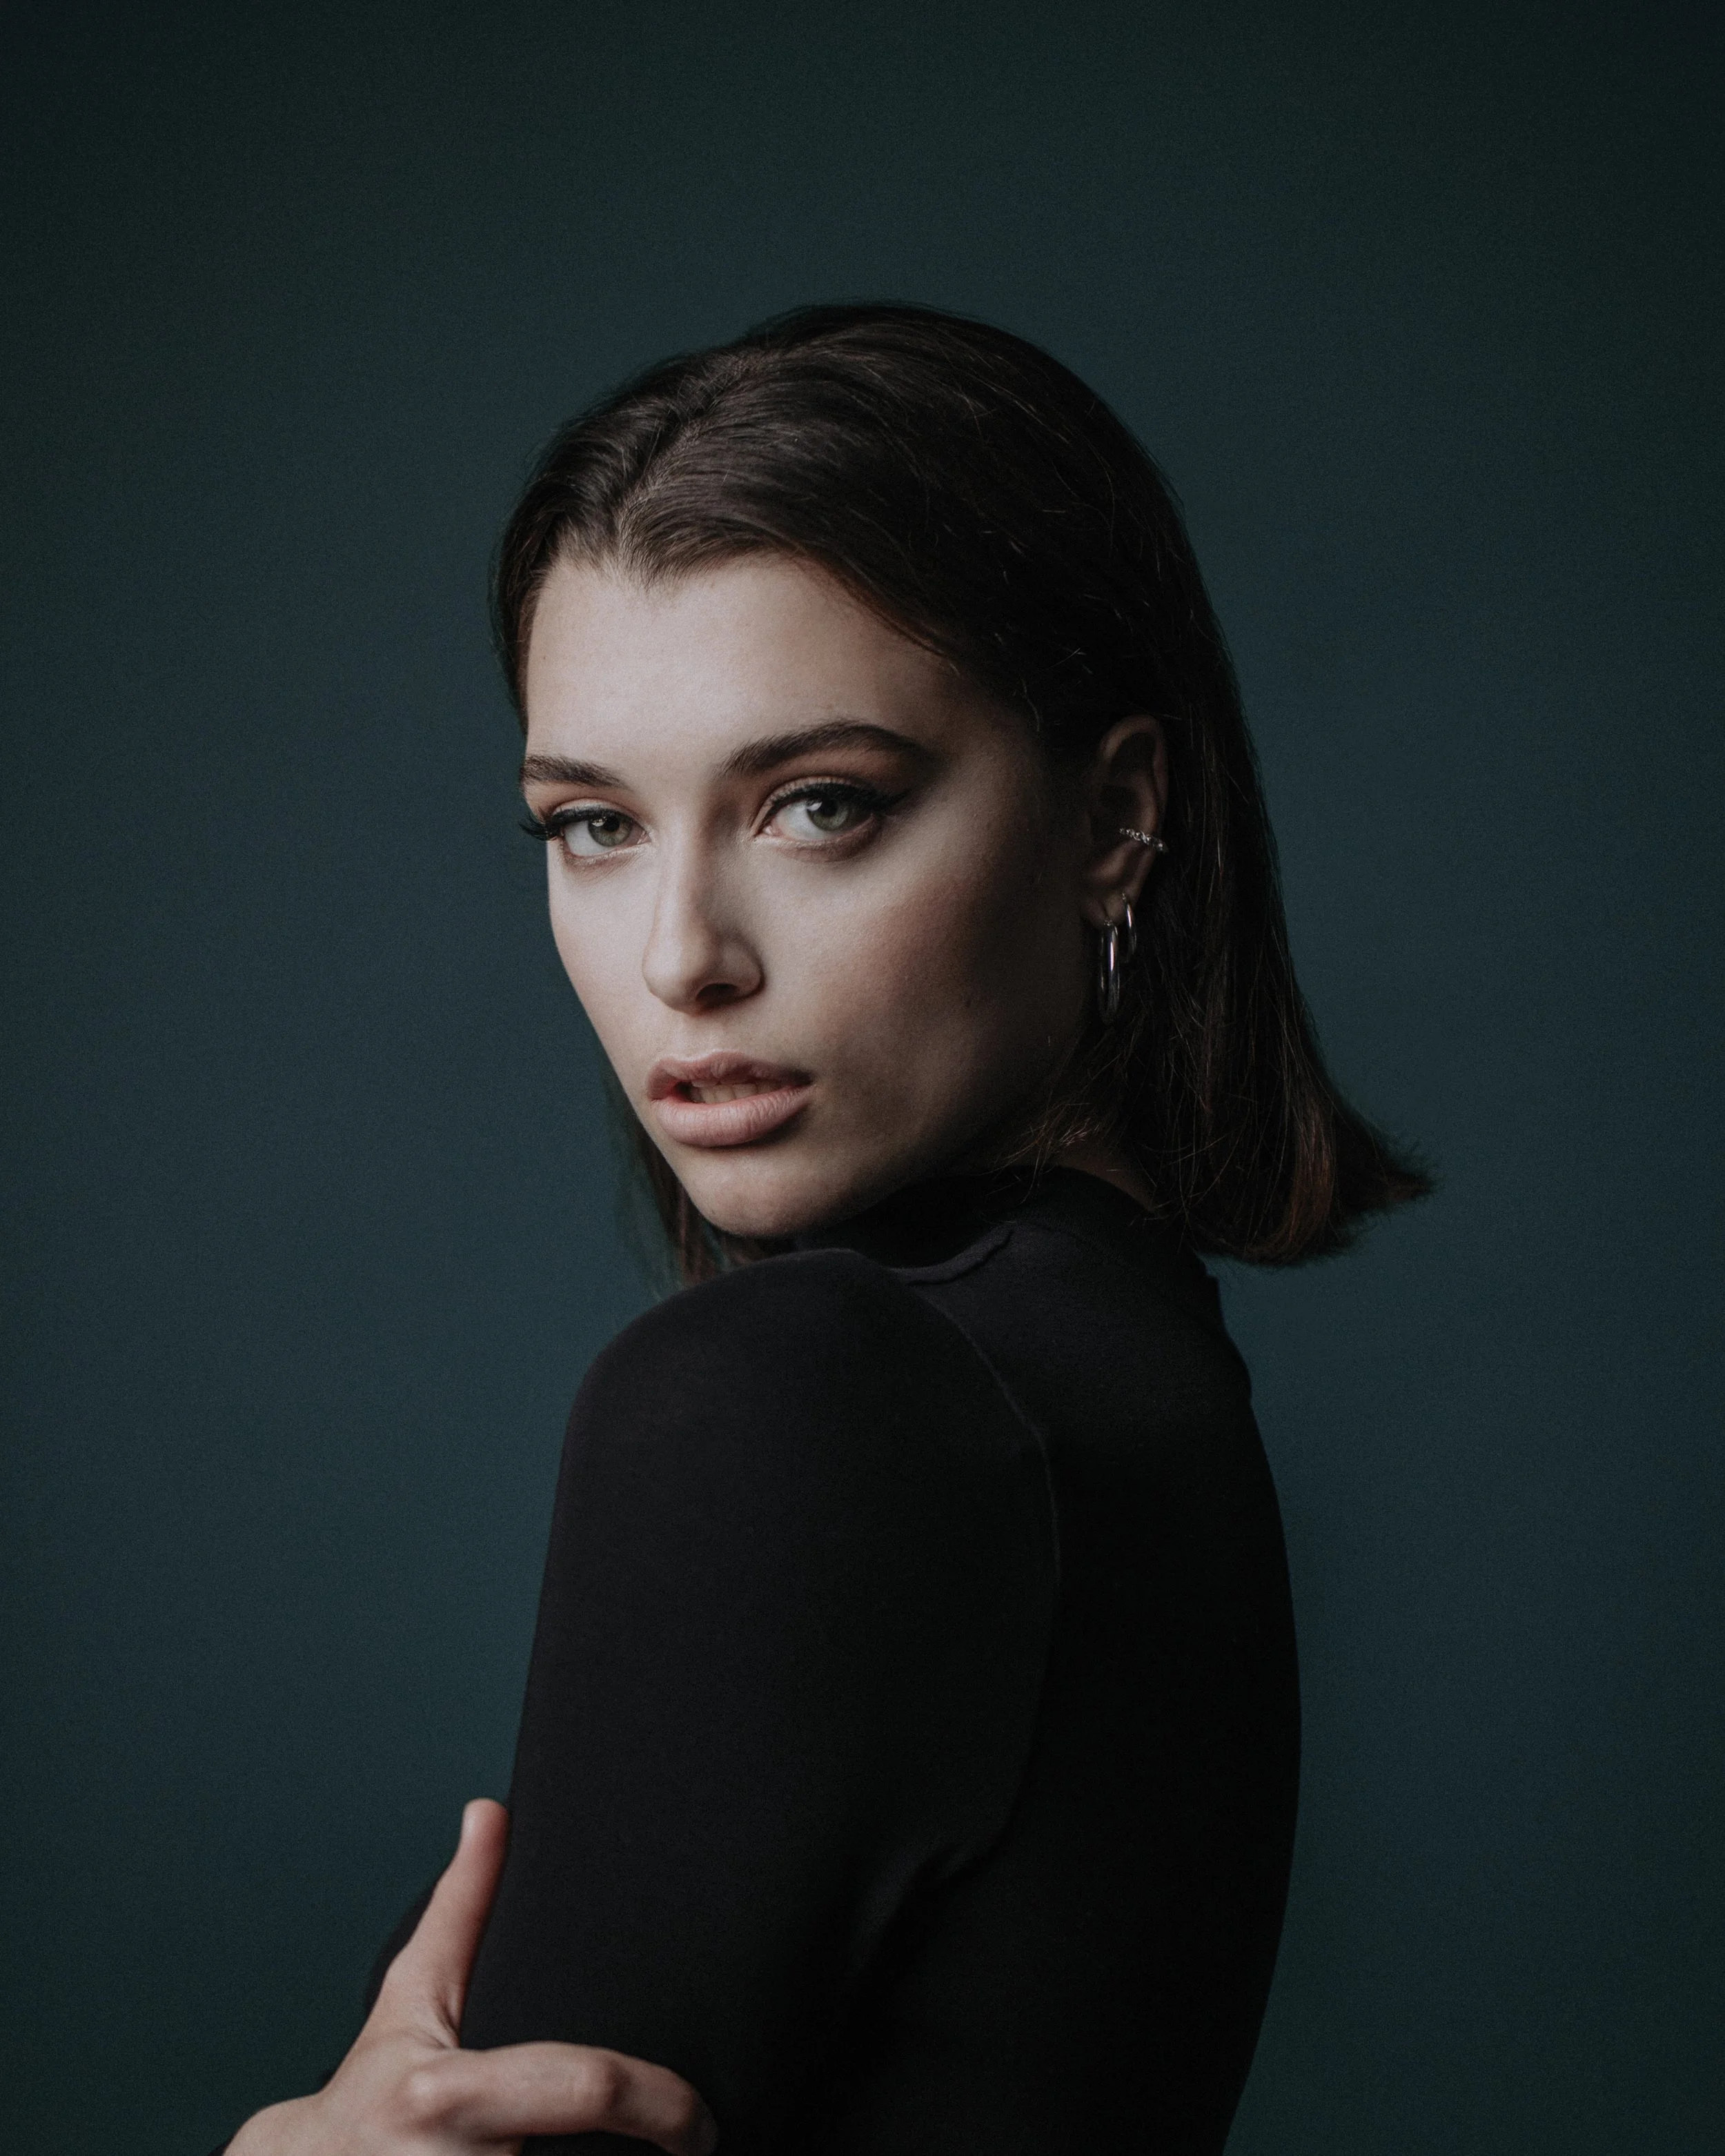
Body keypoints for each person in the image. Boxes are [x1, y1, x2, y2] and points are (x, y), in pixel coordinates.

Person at [225, 303, 1427, 2156]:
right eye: (593, 826)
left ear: (1116, 816)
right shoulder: (1124, 1386)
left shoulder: (811, 1401)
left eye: (818, 805)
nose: (682, 956)